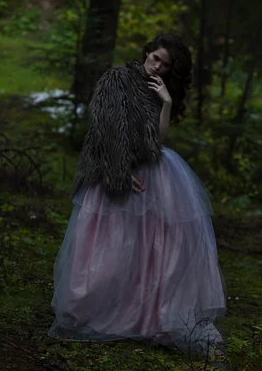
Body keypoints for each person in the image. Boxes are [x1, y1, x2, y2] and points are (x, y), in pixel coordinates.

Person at [49, 33, 226, 356]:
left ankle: (145, 315)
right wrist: (118, 171)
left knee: (151, 246)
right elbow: (104, 128)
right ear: (146, 52)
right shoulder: (117, 78)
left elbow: (156, 141)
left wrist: (167, 102)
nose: (156, 66)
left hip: (152, 169)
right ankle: (97, 309)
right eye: (154, 57)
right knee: (109, 244)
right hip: (112, 169)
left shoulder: (158, 89)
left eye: (165, 64)